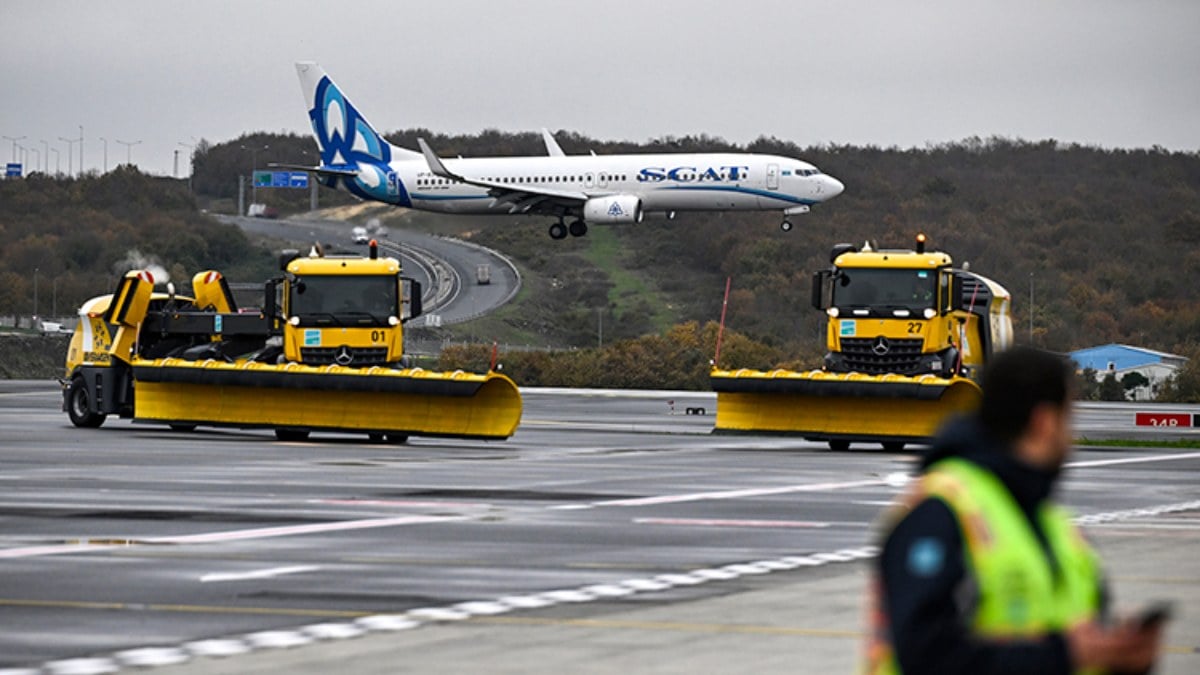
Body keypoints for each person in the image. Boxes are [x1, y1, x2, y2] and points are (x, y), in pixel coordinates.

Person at [865, 346, 1165, 674]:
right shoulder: (941, 514)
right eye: (1068, 418)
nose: (1070, 438)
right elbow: (922, 654)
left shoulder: (1060, 530)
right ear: (1044, 423)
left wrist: (1119, 660)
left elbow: (1080, 646)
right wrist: (1059, 655)